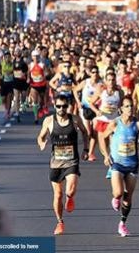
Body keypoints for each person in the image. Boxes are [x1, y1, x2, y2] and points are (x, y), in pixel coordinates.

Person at [36, 94, 89, 235]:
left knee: (69, 190)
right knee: (58, 194)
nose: (61, 109)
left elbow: (85, 133)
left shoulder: (75, 119)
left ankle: (70, 198)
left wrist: (86, 149)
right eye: (58, 106)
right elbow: (40, 136)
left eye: (64, 106)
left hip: (72, 161)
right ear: (55, 106)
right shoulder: (49, 121)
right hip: (56, 164)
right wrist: (42, 143)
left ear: (68, 106)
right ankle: (60, 222)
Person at [99, 96, 139, 237]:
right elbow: (102, 137)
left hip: (132, 164)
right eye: (126, 106)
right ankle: (115, 197)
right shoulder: (115, 123)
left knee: (128, 197)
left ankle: (122, 223)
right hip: (117, 163)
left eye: (131, 106)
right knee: (119, 193)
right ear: (121, 109)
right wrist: (106, 155)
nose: (130, 109)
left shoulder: (138, 125)